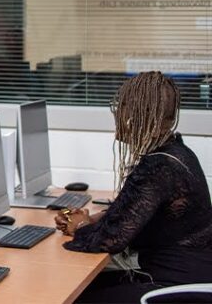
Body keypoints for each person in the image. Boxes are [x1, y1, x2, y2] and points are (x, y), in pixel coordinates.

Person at [55, 71, 212, 303]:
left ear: (139, 115)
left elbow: (111, 241)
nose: (118, 114)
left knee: (72, 297)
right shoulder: (175, 152)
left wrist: (79, 227)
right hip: (188, 275)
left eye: (122, 107)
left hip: (175, 285)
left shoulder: (159, 166)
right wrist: (96, 218)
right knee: (79, 287)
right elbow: (136, 209)